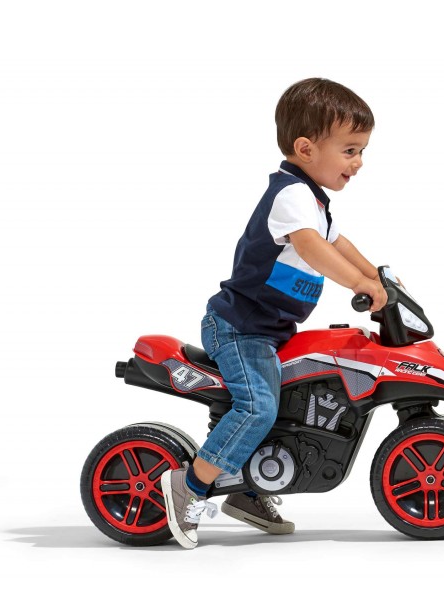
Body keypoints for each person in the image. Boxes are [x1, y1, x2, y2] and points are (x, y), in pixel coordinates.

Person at [161, 77, 388, 549]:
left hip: (271, 330)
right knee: (258, 407)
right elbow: (313, 247)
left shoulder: (316, 202)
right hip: (240, 329)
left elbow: (339, 243)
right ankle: (189, 486)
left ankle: (246, 489)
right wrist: (358, 283)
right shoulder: (291, 196)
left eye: (362, 151)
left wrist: (379, 277)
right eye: (350, 150)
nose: (359, 162)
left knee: (292, 404)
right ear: (306, 149)